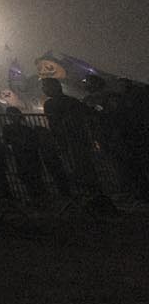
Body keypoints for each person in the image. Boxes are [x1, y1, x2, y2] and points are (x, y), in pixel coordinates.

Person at [40, 77, 115, 213]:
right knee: (86, 169)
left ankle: (89, 198)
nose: (43, 90)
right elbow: (91, 112)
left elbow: (55, 124)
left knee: (78, 170)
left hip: (70, 141)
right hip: (79, 140)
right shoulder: (72, 101)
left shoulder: (51, 104)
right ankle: (94, 196)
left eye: (45, 87)